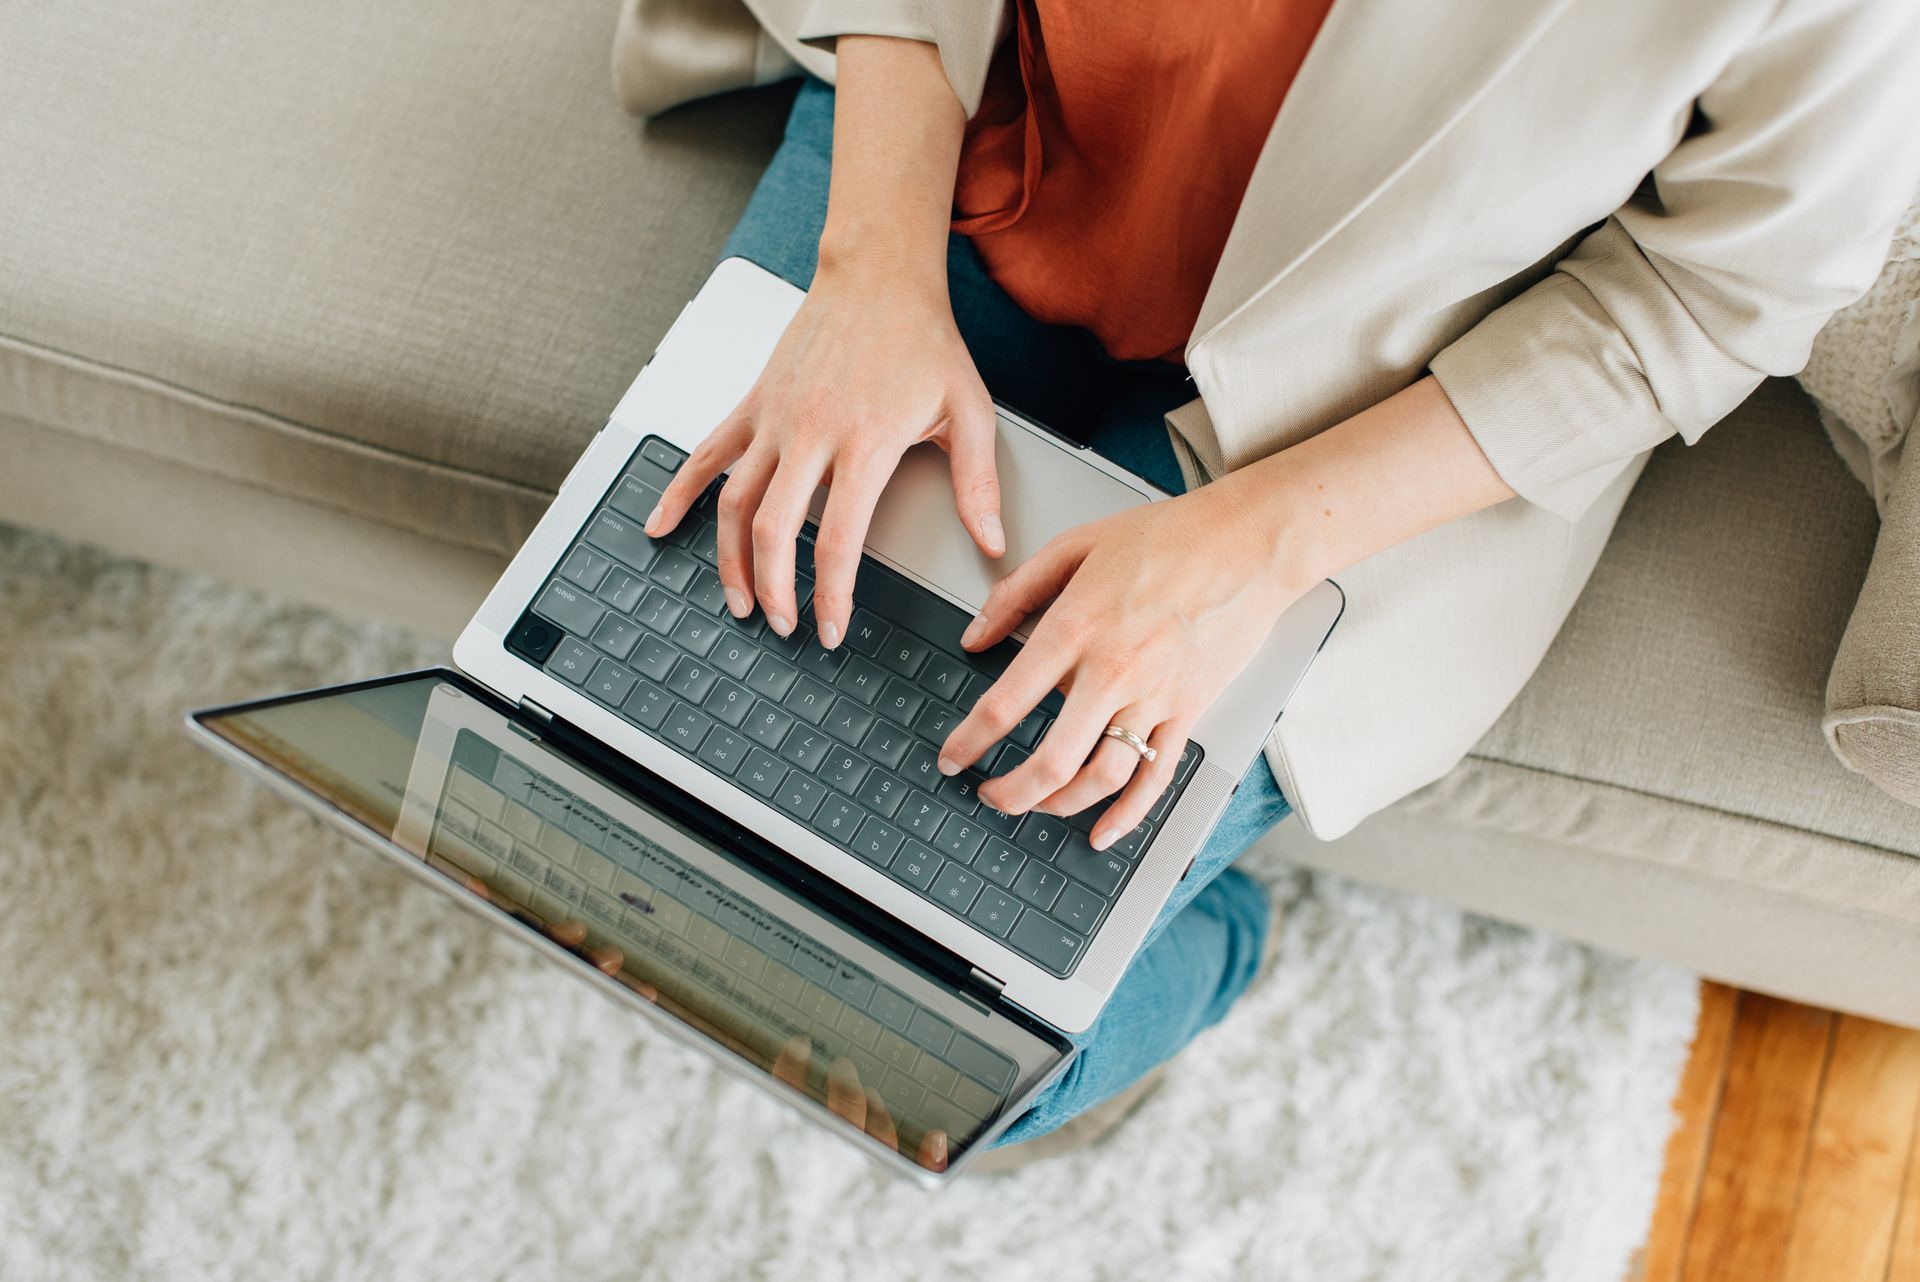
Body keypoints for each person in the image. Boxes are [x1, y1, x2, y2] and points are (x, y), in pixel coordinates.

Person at [631, 0, 1920, 1162]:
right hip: (965, 135)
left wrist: (1257, 548)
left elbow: (1717, 287)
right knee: (626, 780)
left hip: (1375, 395)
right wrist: (869, 277)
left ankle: (1217, 946)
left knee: (916, 1037)